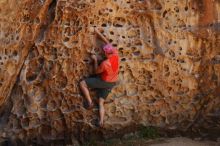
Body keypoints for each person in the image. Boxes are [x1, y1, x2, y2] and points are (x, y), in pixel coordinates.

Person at [79, 28, 119, 127]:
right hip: (112, 82)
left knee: (82, 83)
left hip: (103, 81)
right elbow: (107, 42)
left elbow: (95, 72)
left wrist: (95, 60)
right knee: (101, 102)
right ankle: (101, 121)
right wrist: (98, 33)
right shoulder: (116, 55)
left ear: (105, 53)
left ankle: (89, 102)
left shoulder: (105, 64)